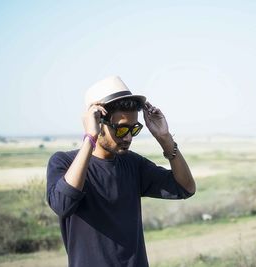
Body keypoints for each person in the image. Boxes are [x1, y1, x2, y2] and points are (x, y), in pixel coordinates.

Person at [46, 76, 196, 267]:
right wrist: (89, 138)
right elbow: (62, 205)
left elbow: (186, 188)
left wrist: (165, 139)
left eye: (133, 130)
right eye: (121, 129)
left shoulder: (132, 163)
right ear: (98, 123)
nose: (128, 138)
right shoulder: (64, 162)